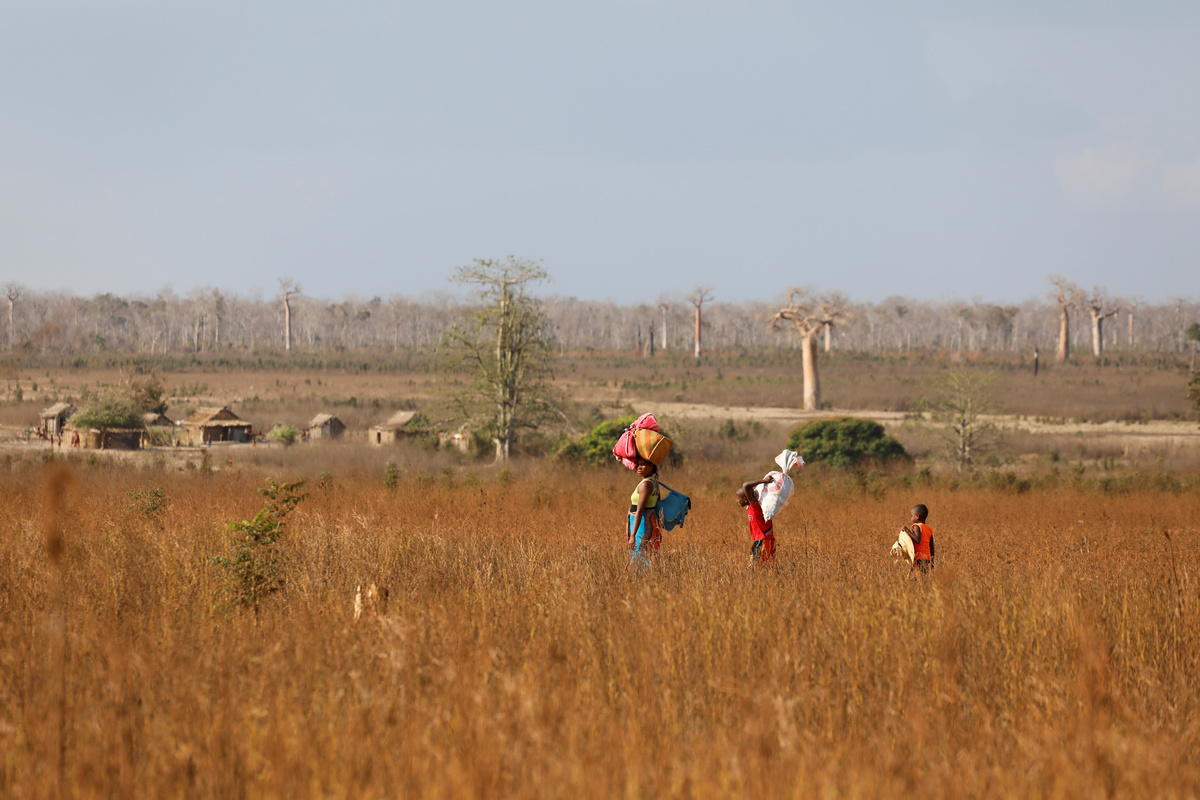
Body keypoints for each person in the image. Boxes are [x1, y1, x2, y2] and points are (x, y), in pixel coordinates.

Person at [627, 455, 661, 569]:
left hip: (641, 523)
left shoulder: (646, 485)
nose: (639, 467)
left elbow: (640, 511)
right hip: (647, 522)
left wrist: (632, 535)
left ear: (651, 466)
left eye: (643, 464)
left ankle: (643, 577)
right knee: (644, 553)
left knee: (638, 553)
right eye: (638, 464)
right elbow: (657, 504)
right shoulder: (654, 483)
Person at [736, 476, 777, 565]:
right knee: (767, 567)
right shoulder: (750, 506)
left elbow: (746, 485)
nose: (737, 501)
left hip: (763, 541)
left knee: (754, 567)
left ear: (746, 499)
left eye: (739, 498)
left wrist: (764, 481)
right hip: (765, 540)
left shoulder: (754, 506)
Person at [904, 503, 935, 581]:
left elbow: (917, 540)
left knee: (919, 580)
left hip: (918, 558)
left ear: (917, 516)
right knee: (923, 578)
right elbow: (931, 545)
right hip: (927, 558)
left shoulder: (917, 527)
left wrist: (907, 530)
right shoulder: (928, 528)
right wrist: (932, 560)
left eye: (912, 516)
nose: (911, 518)